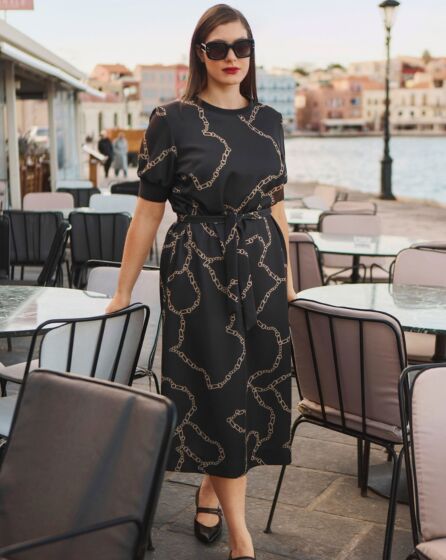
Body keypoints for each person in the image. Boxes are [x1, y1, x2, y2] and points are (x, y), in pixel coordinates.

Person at [106, 5, 295, 559]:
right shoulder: (172, 119)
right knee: (216, 386)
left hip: (261, 266)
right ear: (200, 54)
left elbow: (277, 206)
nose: (232, 57)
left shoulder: (270, 121)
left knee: (252, 389)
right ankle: (242, 540)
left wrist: (289, 281)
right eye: (218, 48)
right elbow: (147, 214)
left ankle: (211, 491)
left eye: (242, 46)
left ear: (252, 52)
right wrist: (123, 290)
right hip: (199, 267)